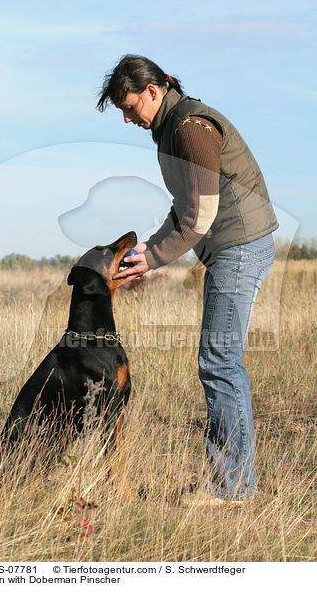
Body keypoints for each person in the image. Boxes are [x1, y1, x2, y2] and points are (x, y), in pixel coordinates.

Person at [97, 54, 278, 504]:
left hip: (240, 246)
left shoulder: (191, 126)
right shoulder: (169, 132)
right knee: (221, 361)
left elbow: (203, 214)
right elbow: (183, 208)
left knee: (219, 363)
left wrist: (155, 255)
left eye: (129, 106)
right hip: (229, 248)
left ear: (153, 92)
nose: (126, 118)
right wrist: (145, 255)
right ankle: (235, 484)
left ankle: (231, 487)